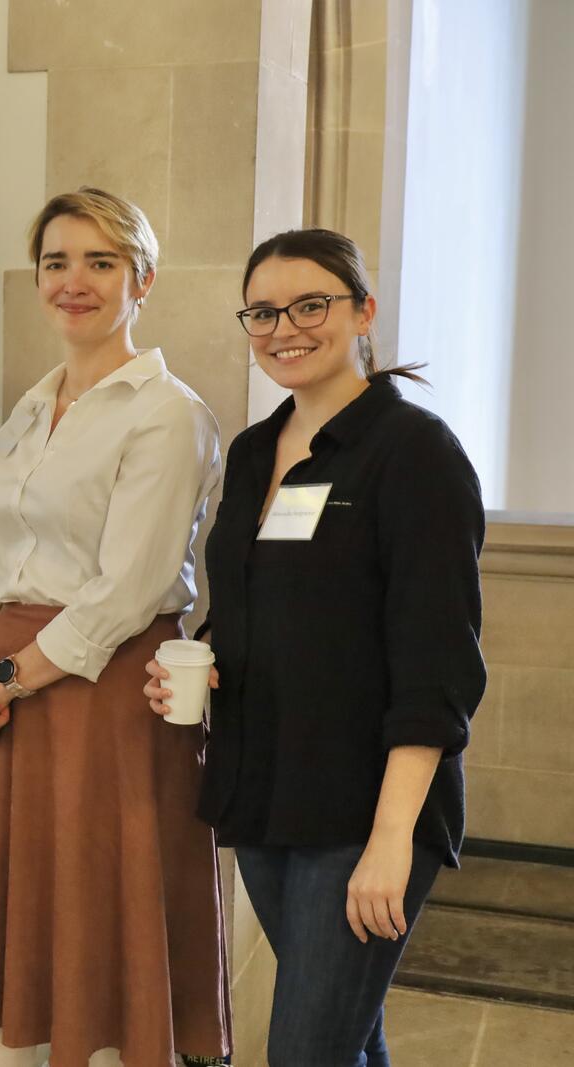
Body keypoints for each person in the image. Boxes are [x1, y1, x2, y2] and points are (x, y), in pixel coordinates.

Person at [0, 188, 232, 1067]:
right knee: (1, 927)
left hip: (102, 696)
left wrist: (3, 682)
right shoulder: (28, 408)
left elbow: (126, 591)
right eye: (57, 261)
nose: (73, 281)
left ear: (142, 279)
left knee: (101, 925)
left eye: (100, 262)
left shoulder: (166, 414)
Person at [145, 228, 485, 1067]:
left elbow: (438, 667)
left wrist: (390, 838)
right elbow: (258, 595)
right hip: (263, 791)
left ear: (363, 311)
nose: (284, 327)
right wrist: (205, 658)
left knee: (303, 1049)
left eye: (310, 304)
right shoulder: (257, 448)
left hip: (362, 805)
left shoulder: (415, 455)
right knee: (344, 1031)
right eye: (263, 311)